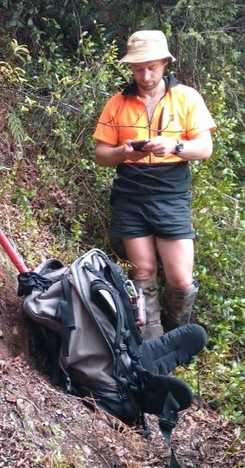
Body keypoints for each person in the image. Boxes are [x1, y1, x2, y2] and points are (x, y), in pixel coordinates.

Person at [92, 30, 216, 339]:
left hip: (171, 194)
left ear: (164, 63)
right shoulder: (117, 103)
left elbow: (205, 147)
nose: (145, 75)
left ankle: (178, 336)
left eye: (152, 68)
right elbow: (101, 155)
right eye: (138, 69)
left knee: (181, 278)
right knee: (143, 271)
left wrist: (174, 147)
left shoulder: (186, 97)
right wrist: (124, 152)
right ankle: (151, 342)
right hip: (131, 194)